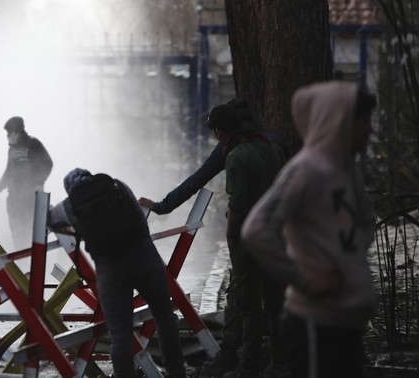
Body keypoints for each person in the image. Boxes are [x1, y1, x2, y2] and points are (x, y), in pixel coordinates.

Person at [242, 82, 377, 378]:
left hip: (348, 318)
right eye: (364, 121)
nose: (370, 130)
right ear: (340, 121)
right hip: (315, 323)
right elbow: (256, 229)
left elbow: (366, 222)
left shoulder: (347, 171)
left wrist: (347, 262)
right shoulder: (305, 170)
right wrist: (302, 279)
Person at [50, 168, 187, 378]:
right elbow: (139, 221)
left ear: (70, 190)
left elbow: (48, 219)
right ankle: (177, 373)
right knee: (164, 316)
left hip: (111, 270)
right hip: (144, 257)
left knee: (120, 334)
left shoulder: (70, 205)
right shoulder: (117, 186)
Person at [202, 104, 287, 378]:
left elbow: (237, 203)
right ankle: (280, 363)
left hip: (249, 239)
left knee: (248, 305)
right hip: (274, 234)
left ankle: (249, 366)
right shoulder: (268, 147)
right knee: (275, 301)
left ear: (219, 131)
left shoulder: (237, 156)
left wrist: (230, 234)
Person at [138, 98, 288, 215]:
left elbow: (197, 179)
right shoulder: (275, 138)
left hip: (257, 218)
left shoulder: (229, 146)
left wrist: (163, 207)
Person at [0, 116, 53, 249]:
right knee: (17, 233)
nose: (8, 136)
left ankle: (33, 258)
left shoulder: (33, 144)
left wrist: (40, 181)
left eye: (9, 132)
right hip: (14, 198)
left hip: (31, 197)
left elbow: (48, 163)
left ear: (17, 132)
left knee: (32, 232)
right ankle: (21, 260)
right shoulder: (11, 150)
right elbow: (8, 172)